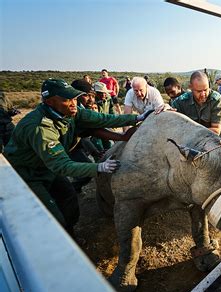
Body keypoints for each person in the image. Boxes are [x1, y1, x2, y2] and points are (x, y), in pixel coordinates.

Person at [3, 78, 153, 236]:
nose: (73, 102)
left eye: (74, 97)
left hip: (47, 167)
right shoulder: (39, 127)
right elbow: (62, 165)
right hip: (27, 174)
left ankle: (70, 234)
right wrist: (99, 167)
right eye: (66, 99)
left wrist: (137, 118)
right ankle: (60, 246)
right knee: (50, 217)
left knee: (69, 198)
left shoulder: (70, 111)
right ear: (49, 102)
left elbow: (102, 119)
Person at [171, 71, 221, 136]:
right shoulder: (182, 101)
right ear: (191, 87)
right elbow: (171, 119)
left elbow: (216, 131)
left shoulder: (217, 100)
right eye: (199, 91)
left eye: (205, 90)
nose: (203, 94)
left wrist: (190, 133)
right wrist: (166, 109)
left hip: (216, 137)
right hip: (193, 138)